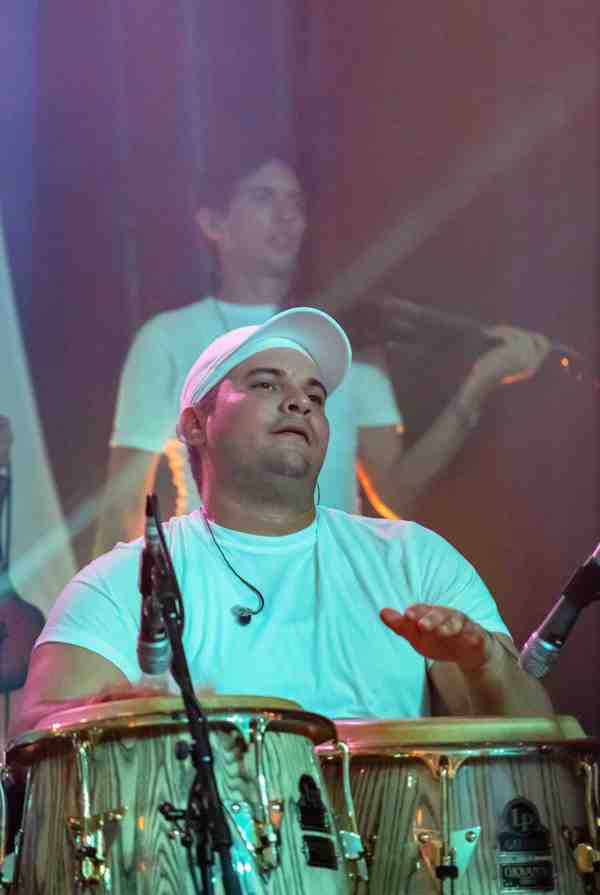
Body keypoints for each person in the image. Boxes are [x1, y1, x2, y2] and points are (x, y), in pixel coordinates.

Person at [11, 307, 553, 739]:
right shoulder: (120, 583)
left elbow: (537, 739)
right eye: (267, 384)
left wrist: (485, 664)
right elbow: (32, 733)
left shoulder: (415, 559)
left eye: (314, 395)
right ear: (196, 425)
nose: (299, 402)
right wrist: (115, 714)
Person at [93, 146, 551, 554]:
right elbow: (122, 510)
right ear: (213, 222)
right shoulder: (166, 338)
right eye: (263, 197)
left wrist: (478, 385)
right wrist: (117, 610)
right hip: (214, 585)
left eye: (295, 202)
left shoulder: (343, 337)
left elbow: (396, 495)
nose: (286, 216)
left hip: (335, 588)